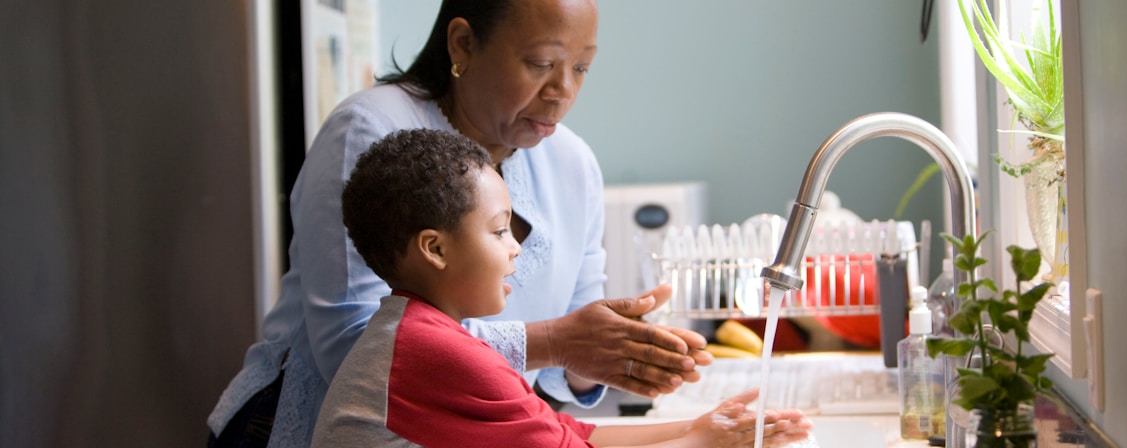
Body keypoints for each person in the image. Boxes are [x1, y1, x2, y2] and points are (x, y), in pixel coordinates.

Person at [208, 0, 712, 446]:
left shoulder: (573, 163)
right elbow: (355, 349)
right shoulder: (370, 130)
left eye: (581, 67)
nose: (563, 92)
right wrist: (558, 341)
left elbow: (562, 379)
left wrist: (612, 352)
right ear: (463, 44)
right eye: (541, 64)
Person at [312, 128, 812, 447]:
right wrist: (705, 442)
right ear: (435, 249)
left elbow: (568, 433)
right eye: (499, 229)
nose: (516, 249)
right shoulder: (436, 353)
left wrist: (698, 426)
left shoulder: (418, 333)